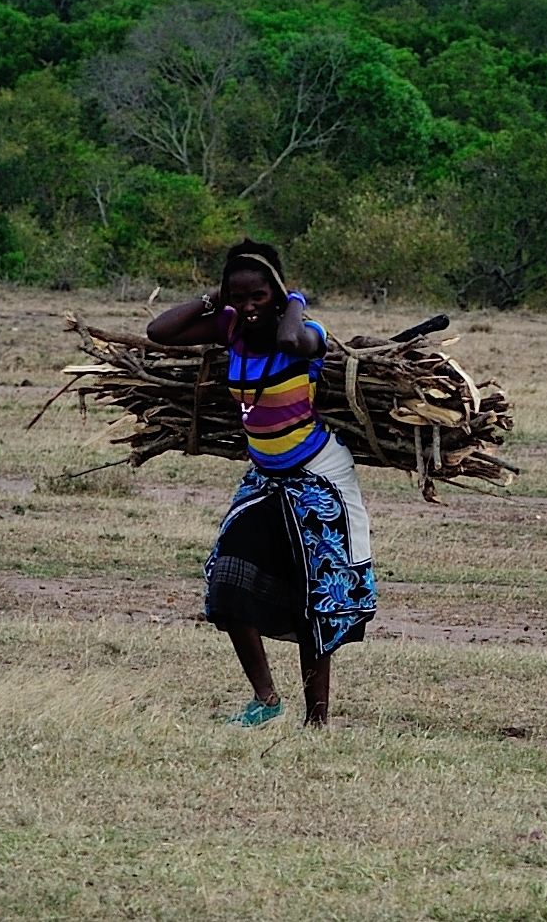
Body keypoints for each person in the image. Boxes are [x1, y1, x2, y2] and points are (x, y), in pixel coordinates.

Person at [146, 240, 376, 727]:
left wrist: (294, 301)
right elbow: (159, 331)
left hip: (317, 476)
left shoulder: (308, 333)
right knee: (226, 580)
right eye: (240, 296)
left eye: (259, 296)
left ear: (275, 292)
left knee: (316, 597)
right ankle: (266, 699)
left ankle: (317, 722)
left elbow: (291, 341)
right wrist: (215, 299)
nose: (249, 307)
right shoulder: (230, 327)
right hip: (265, 478)